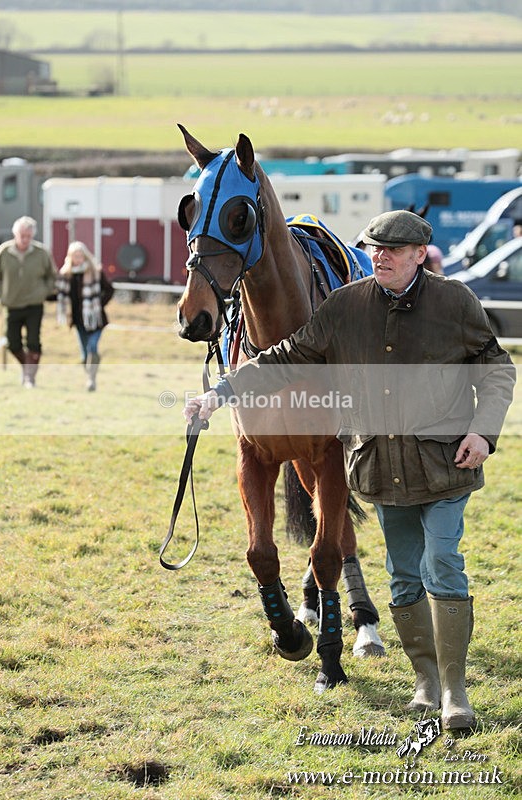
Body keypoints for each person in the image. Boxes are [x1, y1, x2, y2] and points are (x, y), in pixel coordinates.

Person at [183, 210, 516, 731]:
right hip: (383, 472)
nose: (378, 256)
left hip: (447, 465)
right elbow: (287, 356)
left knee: (442, 564)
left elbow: (496, 367)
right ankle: (425, 683)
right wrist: (219, 394)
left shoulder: (455, 302)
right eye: (374, 248)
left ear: (418, 256)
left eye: (391, 250)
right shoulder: (346, 305)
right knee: (404, 577)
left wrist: (483, 431)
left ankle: (455, 690)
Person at [0, 215, 57, 388]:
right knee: (12, 342)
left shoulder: (41, 252)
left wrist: (44, 291)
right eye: (22, 235)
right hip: (11, 304)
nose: (25, 239)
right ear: (15, 234)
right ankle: (27, 367)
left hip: (34, 304)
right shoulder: (4, 252)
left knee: (34, 341)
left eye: (28, 236)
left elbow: (52, 276)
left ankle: (29, 377)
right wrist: (0, 295)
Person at [56, 241, 114, 391]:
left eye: (80, 255)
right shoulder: (66, 275)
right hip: (78, 320)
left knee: (92, 347)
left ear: (85, 256)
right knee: (84, 355)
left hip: (96, 319)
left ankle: (91, 380)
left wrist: (98, 305)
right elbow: (61, 295)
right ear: (70, 257)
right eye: (75, 256)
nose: (78, 258)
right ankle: (89, 376)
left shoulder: (95, 271)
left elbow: (109, 290)